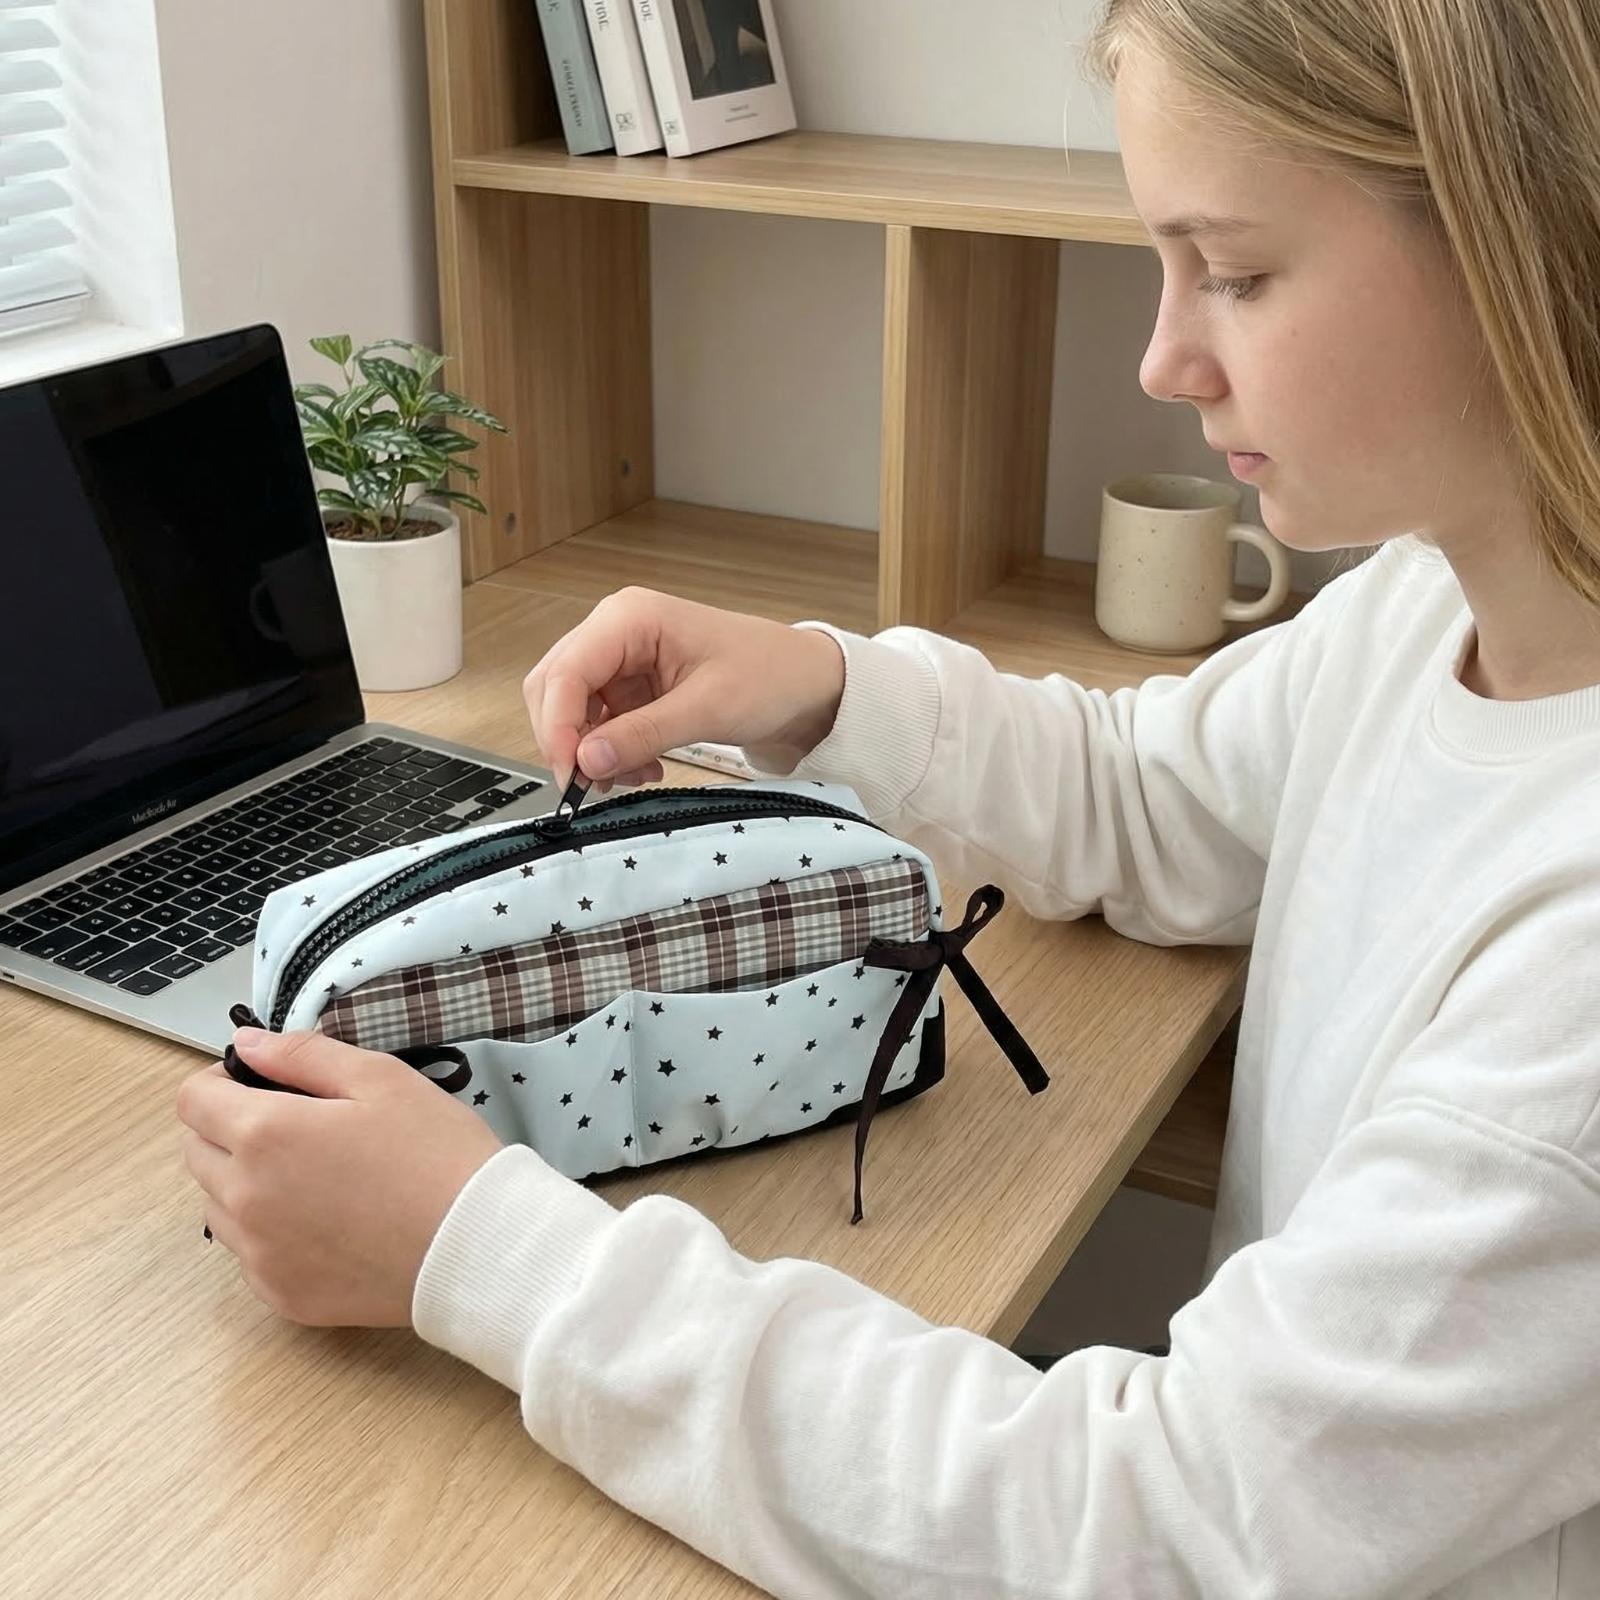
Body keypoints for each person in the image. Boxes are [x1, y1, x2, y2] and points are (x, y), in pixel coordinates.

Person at [176, 1, 1600, 1594]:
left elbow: (1150, 1525)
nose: (1162, 359)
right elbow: (1157, 798)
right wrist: (816, 683)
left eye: (1237, 273)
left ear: (1523, 235)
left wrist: (483, 1254)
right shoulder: (1430, 606)